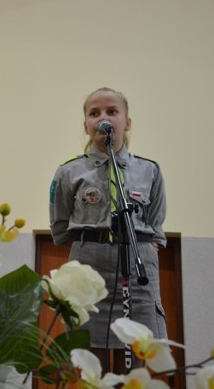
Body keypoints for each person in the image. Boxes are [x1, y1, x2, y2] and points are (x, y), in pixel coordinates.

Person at [49, 87, 167, 373]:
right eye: (95, 113)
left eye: (112, 112)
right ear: (86, 126)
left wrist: (143, 247)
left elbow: (155, 223)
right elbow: (60, 226)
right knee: (92, 360)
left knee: (136, 352)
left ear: (126, 122)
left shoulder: (149, 170)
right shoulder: (69, 171)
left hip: (137, 269)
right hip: (90, 268)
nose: (103, 118)